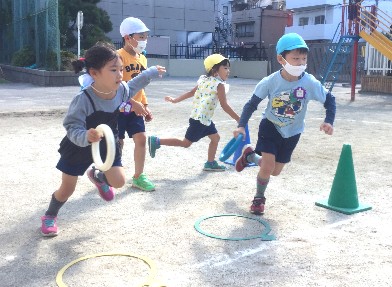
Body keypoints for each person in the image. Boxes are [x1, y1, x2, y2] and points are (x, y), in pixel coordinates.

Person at [40, 42, 166, 237]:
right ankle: (50, 215)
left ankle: (98, 176)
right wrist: (85, 136)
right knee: (67, 189)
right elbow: (71, 125)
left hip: (106, 143)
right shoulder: (84, 99)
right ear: (94, 73)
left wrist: (150, 72)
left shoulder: (121, 90)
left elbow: (134, 85)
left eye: (121, 70)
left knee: (118, 181)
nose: (119, 75)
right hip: (78, 146)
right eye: (113, 70)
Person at [233, 33, 336, 215]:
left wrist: (329, 121)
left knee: (275, 171)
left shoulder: (309, 82)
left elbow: (330, 100)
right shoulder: (271, 81)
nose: (300, 63)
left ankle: (249, 156)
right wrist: (242, 125)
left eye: (304, 58)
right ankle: (259, 199)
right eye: (295, 58)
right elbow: (252, 104)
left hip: (293, 132)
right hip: (270, 126)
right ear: (281, 59)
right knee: (268, 166)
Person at [148, 54, 240, 171]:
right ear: (214, 70)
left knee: (215, 138)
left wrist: (175, 100)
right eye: (225, 68)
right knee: (185, 143)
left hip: (202, 119)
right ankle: (157, 141)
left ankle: (210, 163)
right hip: (200, 121)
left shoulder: (204, 80)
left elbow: (191, 92)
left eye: (228, 68)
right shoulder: (219, 85)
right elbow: (224, 105)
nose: (228, 71)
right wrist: (238, 118)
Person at [117, 17, 155, 191]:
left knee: (141, 138)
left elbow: (141, 85)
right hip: (118, 108)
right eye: (140, 36)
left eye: (145, 36)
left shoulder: (143, 59)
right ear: (127, 37)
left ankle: (138, 176)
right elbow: (115, 86)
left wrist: (144, 105)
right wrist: (133, 103)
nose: (144, 40)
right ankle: (109, 173)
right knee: (118, 142)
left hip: (136, 108)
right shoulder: (117, 57)